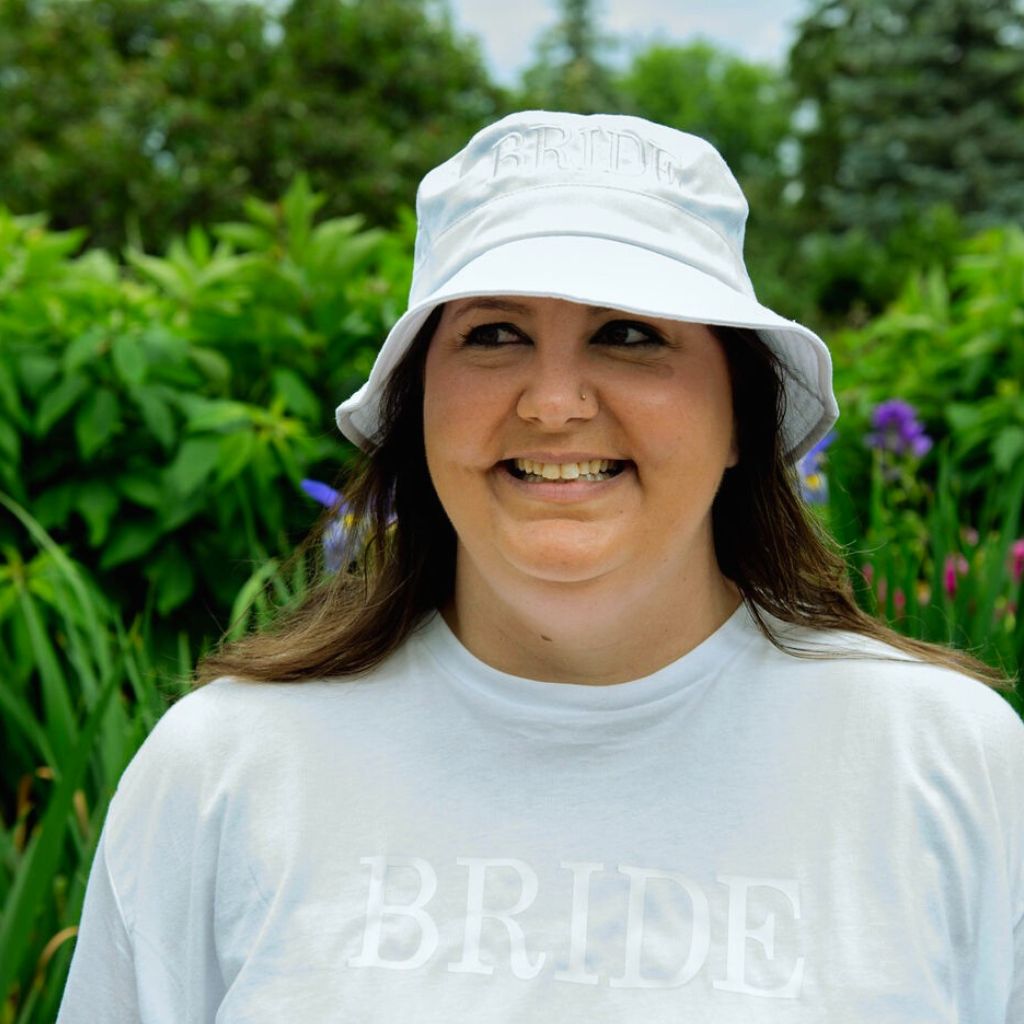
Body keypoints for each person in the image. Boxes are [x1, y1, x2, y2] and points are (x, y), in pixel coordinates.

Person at [57, 111, 1023, 1022]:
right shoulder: (227, 769)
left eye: (630, 333)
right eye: (493, 334)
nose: (554, 402)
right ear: (416, 405)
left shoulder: (947, 768)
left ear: (743, 413)